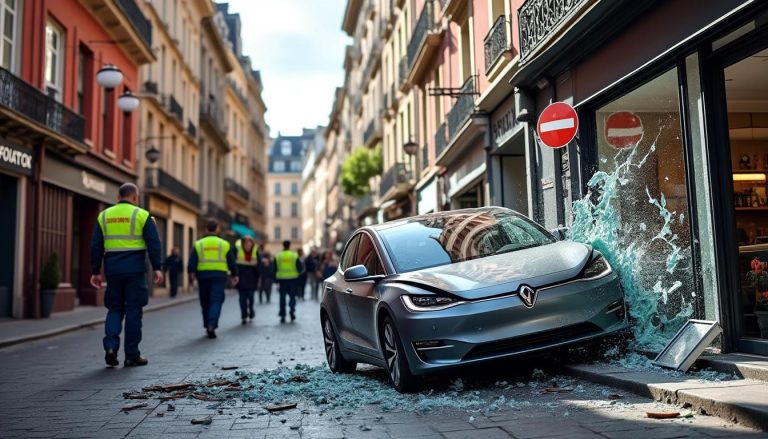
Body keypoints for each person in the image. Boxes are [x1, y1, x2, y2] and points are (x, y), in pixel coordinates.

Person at [90, 183, 163, 368]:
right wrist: (157, 267)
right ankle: (131, 355)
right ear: (135, 197)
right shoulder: (142, 215)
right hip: (135, 271)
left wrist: (95, 271)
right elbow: (154, 243)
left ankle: (110, 347)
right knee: (133, 311)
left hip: (113, 271)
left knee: (114, 309)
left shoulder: (104, 216)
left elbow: (96, 246)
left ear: (118, 197)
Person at [188, 220, 239, 339]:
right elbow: (231, 262)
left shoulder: (199, 244)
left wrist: (191, 273)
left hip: (203, 276)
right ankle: (212, 324)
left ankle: (207, 324)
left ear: (206, 229)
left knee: (205, 301)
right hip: (219, 276)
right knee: (216, 300)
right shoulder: (224, 244)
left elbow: (192, 261)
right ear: (217, 229)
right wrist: (235, 274)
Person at [275, 240, 302, 323]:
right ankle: (292, 311)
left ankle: (282, 315)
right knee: (292, 297)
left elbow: (274, 268)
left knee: (282, 298)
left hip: (282, 280)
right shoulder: (294, 255)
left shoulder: (278, 256)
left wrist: (275, 280)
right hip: (293, 279)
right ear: (289, 245)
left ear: (283, 245)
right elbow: (300, 267)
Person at [235, 235, 260, 324]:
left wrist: (259, 279)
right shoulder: (238, 252)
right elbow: (234, 266)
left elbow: (259, 267)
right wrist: (234, 276)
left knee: (251, 298)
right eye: (246, 243)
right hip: (241, 280)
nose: (248, 245)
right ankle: (244, 315)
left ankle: (251, 310)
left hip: (252, 280)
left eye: (249, 243)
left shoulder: (255, 252)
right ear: (243, 244)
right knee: (242, 299)